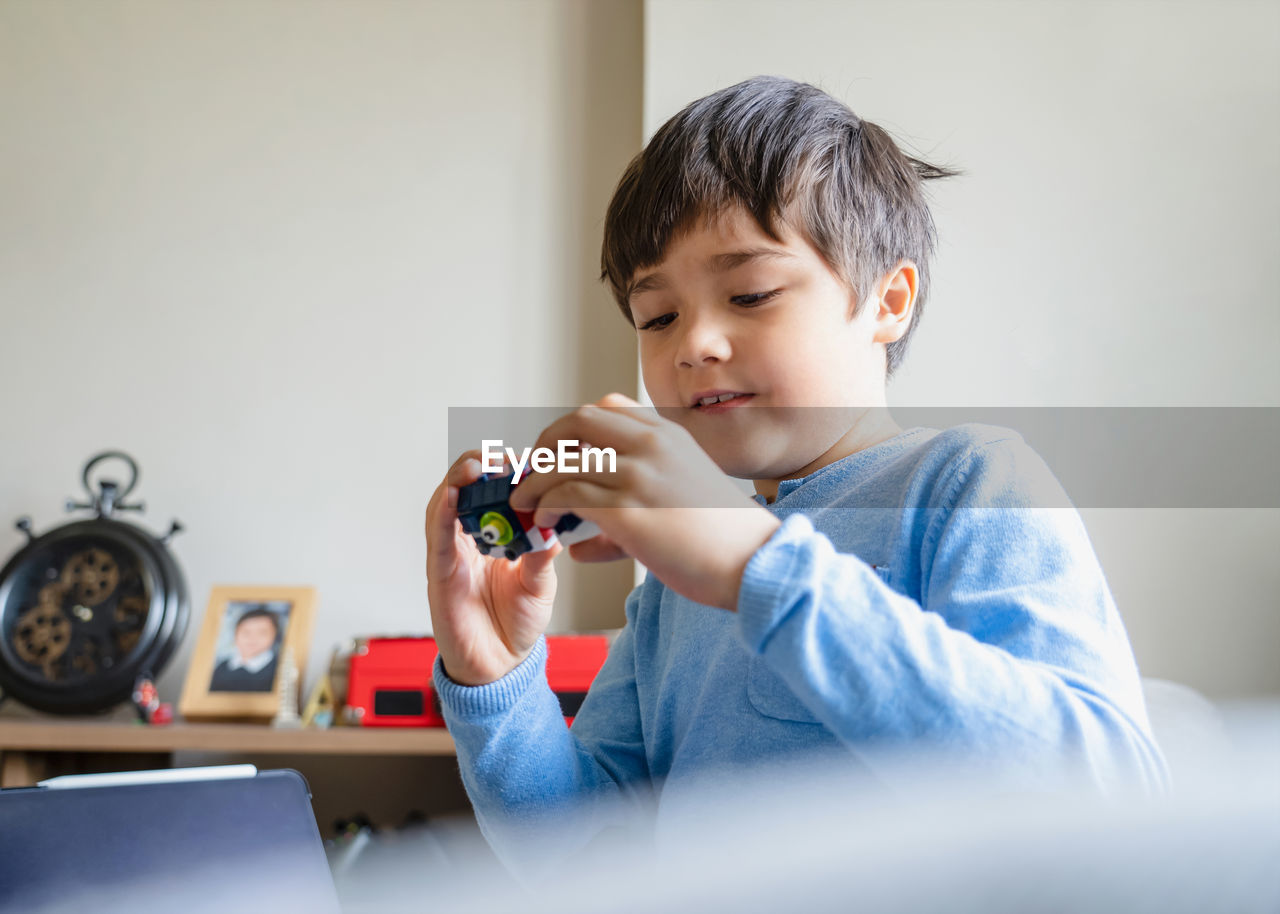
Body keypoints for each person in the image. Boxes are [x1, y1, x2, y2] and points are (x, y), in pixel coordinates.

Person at [424, 75, 1168, 873]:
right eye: (658, 316)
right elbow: (584, 863)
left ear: (889, 301)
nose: (693, 344)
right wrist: (497, 680)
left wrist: (756, 566)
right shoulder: (673, 591)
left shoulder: (971, 481)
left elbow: (1109, 802)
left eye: (749, 293)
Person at [209, 606, 280, 692]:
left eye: (262, 633)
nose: (253, 638)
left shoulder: (278, 670)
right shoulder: (221, 668)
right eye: (246, 632)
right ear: (235, 634)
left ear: (275, 636)